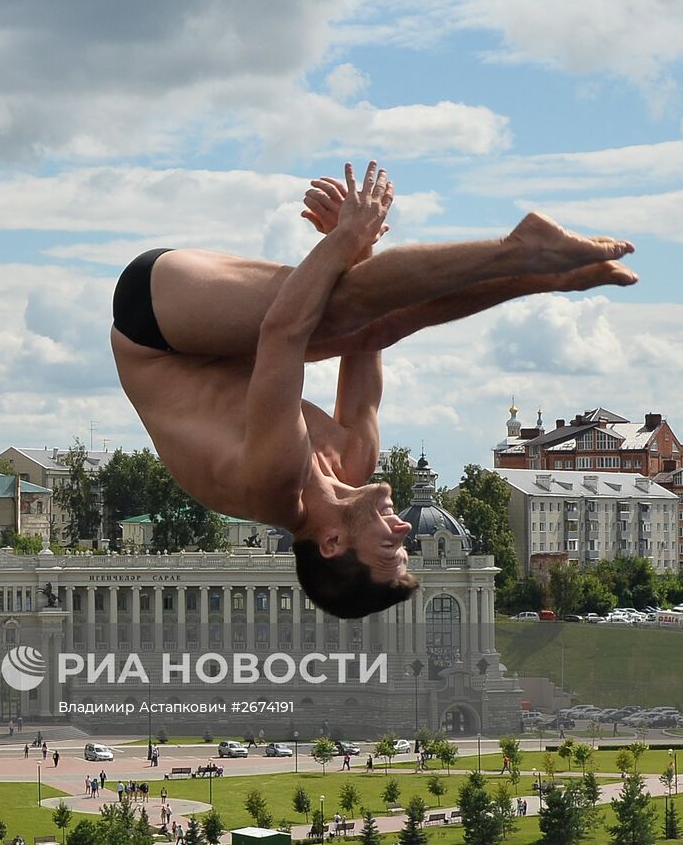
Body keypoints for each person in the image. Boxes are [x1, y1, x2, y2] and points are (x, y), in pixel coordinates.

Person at [112, 161, 636, 618]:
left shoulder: (272, 481)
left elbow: (283, 332)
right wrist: (360, 256)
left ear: (334, 542)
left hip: (153, 325)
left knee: (333, 316)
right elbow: (382, 326)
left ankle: (522, 249)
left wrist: (344, 238)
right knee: (369, 328)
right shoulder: (354, 460)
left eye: (389, 552)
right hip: (217, 340)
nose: (405, 534)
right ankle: (545, 274)